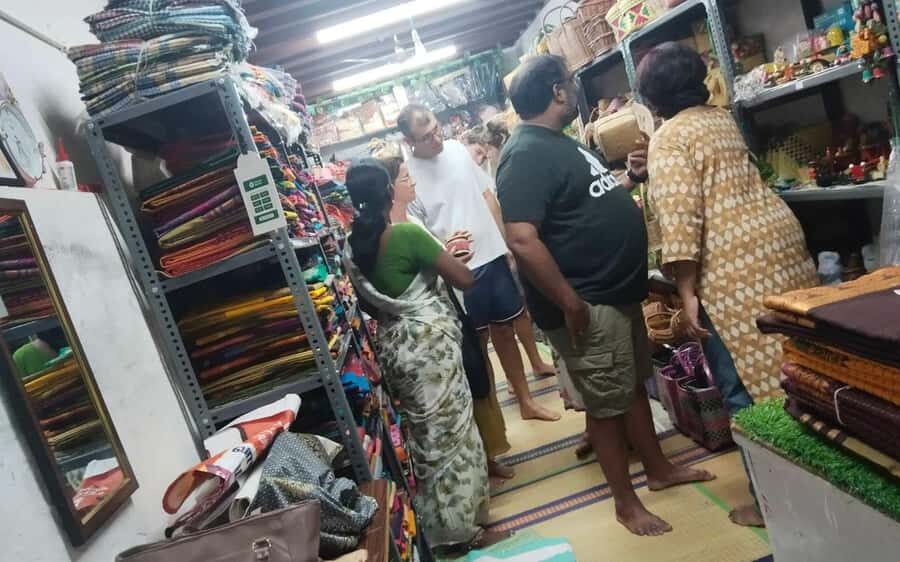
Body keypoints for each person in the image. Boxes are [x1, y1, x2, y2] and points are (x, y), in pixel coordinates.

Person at [497, 54, 715, 537]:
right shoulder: (525, 153)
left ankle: (657, 471)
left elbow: (585, 202)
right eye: (570, 83)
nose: (574, 89)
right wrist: (571, 301)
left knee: (632, 385)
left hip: (614, 294)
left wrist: (629, 180)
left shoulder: (559, 144)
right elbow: (521, 239)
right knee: (606, 406)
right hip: (588, 303)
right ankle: (625, 503)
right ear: (556, 91)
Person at [636, 42, 817, 527]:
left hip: (731, 266)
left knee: (743, 386)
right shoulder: (719, 119)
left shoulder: (668, 137)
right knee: (799, 370)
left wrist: (687, 291)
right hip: (779, 244)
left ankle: (771, 504)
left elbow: (681, 218)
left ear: (650, 97)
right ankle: (822, 482)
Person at [342, 159, 504, 550]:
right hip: (431, 346)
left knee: (425, 440)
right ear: (387, 192)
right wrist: (453, 255)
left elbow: (372, 305)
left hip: (397, 348)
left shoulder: (352, 249)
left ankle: (437, 525)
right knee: (454, 437)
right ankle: (461, 531)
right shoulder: (407, 236)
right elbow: (463, 279)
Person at [400, 104, 561, 424]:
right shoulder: (408, 176)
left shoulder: (458, 151)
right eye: (426, 136)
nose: (436, 138)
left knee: (505, 328)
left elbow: (488, 195)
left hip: (491, 254)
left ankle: (526, 400)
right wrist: (445, 255)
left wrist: (505, 242)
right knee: (476, 342)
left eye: (436, 129)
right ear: (408, 140)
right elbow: (417, 228)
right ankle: (495, 418)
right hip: (457, 270)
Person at [369, 140, 514, 480]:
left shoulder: (405, 225)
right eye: (406, 178)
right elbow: (445, 273)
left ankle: (486, 456)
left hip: (439, 318)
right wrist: (451, 262)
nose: (413, 183)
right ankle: (478, 465)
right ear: (391, 189)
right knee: (459, 392)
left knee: (472, 380)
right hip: (435, 325)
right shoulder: (400, 231)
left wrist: (447, 250)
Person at [460, 125, 558, 382]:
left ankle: (536, 361)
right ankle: (515, 379)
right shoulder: (468, 174)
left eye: (484, 152)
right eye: (477, 152)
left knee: (519, 311)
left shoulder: (492, 170)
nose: (481, 158)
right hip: (488, 252)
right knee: (498, 326)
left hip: (503, 245)